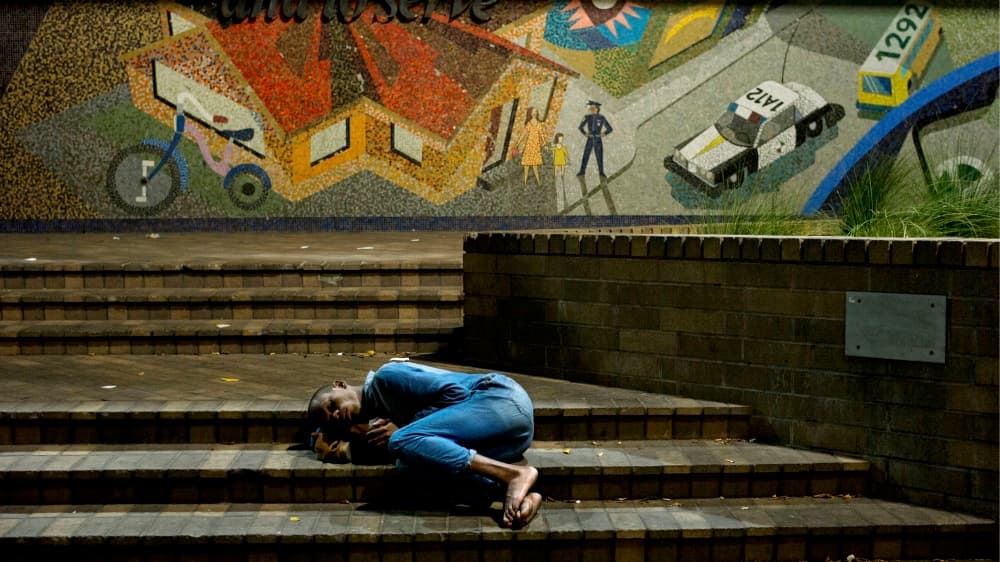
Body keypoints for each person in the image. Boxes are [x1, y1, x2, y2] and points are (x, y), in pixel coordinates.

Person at [307, 361, 542, 528]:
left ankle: (514, 475)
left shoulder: (385, 379)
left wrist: (407, 427)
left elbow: (456, 393)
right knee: (408, 464)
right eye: (332, 420)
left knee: (402, 441)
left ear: (340, 384)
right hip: (509, 439)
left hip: (502, 400)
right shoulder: (378, 416)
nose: (337, 415)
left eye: (332, 406)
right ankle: (515, 495)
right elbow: (317, 434)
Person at [577, 100, 613, 178]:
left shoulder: (601, 117)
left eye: (593, 108)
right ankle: (582, 171)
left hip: (597, 139)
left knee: (599, 156)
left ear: (597, 109)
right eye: (591, 108)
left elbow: (610, 128)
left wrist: (603, 134)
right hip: (590, 139)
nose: (591, 110)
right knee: (586, 155)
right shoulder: (587, 117)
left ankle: (601, 172)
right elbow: (580, 127)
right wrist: (585, 133)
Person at [515, 107, 545, 186]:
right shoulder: (529, 124)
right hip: (529, 145)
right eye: (533, 112)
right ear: (530, 113)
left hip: (536, 145)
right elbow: (523, 134)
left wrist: (544, 143)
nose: (534, 113)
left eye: (536, 111)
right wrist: (517, 143)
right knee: (526, 165)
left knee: (535, 165)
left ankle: (538, 181)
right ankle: (525, 182)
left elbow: (541, 134)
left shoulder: (538, 124)